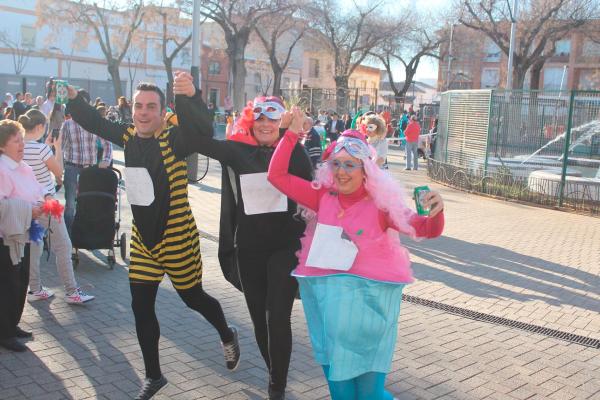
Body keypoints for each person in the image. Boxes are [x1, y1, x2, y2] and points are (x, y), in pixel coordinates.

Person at [65, 77, 240, 400]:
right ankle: (154, 375)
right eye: (138, 106)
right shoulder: (129, 136)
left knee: (193, 298)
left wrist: (192, 96)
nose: (143, 113)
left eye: (151, 107)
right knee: (141, 306)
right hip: (144, 241)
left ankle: (227, 333)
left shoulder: (176, 140)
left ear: (163, 111)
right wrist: (74, 98)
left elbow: (200, 129)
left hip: (177, 238)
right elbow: (94, 121)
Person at [268, 121, 445, 400]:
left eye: (350, 165)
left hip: (368, 320)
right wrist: (290, 134)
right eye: (336, 164)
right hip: (330, 324)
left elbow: (425, 228)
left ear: (366, 170)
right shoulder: (321, 196)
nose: (341, 172)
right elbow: (276, 176)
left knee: (369, 396)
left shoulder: (381, 204)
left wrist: (436, 212)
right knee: (342, 396)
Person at [174, 72, 313, 400]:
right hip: (250, 250)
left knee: (278, 316)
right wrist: (190, 98)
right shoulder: (237, 152)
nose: (266, 124)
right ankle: (272, 370)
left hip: (286, 247)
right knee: (259, 322)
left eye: (273, 118)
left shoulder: (293, 151)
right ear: (250, 122)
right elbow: (194, 140)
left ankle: (277, 385)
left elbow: (313, 191)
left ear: (282, 122)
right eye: (260, 117)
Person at [19, 110, 94, 304]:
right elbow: (59, 171)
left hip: (28, 204)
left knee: (35, 245)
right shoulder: (43, 150)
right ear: (38, 127)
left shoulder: (18, 148)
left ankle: (34, 288)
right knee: (63, 245)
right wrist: (58, 148)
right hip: (48, 202)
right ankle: (71, 291)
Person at [0, 119, 45, 352]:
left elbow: (37, 191)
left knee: (22, 281)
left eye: (21, 139)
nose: (21, 144)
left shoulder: (24, 167)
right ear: (2, 145)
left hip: (25, 233)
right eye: (16, 140)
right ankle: (4, 332)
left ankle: (12, 324)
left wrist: (41, 204)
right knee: (8, 284)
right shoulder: (2, 169)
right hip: (7, 238)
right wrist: (28, 209)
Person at [60, 90, 113, 235]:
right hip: (72, 168)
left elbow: (107, 143)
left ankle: (86, 234)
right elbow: (61, 147)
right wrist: (59, 168)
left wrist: (106, 160)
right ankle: (68, 236)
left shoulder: (94, 124)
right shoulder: (67, 125)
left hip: (90, 170)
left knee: (89, 202)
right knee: (70, 205)